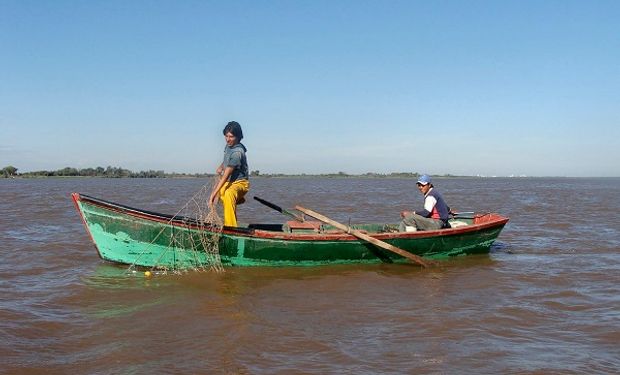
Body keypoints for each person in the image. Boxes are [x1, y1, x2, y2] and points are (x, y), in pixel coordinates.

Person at [209, 121, 250, 227]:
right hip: (231, 182)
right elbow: (227, 161)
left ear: (238, 137)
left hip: (241, 183)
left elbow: (225, 176)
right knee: (223, 191)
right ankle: (238, 200)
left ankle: (231, 227)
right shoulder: (228, 146)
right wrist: (221, 166)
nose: (228, 139)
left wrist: (213, 194)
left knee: (227, 194)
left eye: (231, 137)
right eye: (226, 136)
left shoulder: (237, 153)